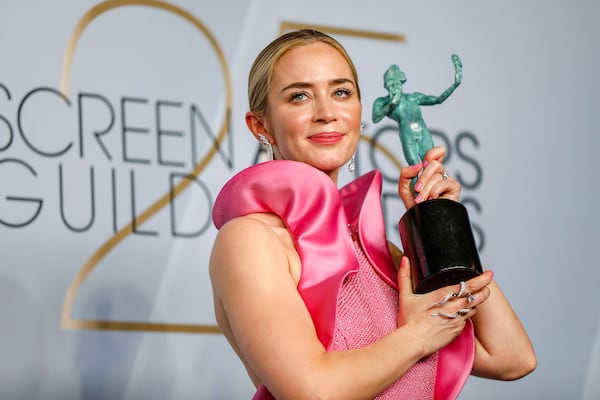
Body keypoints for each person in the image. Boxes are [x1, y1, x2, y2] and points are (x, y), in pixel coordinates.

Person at [210, 29, 536, 400]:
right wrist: (417, 336)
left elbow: (512, 357)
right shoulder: (250, 240)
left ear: (359, 111)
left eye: (341, 92)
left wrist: (438, 224)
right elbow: (312, 391)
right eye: (299, 96)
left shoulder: (382, 253)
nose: (327, 113)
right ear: (261, 126)